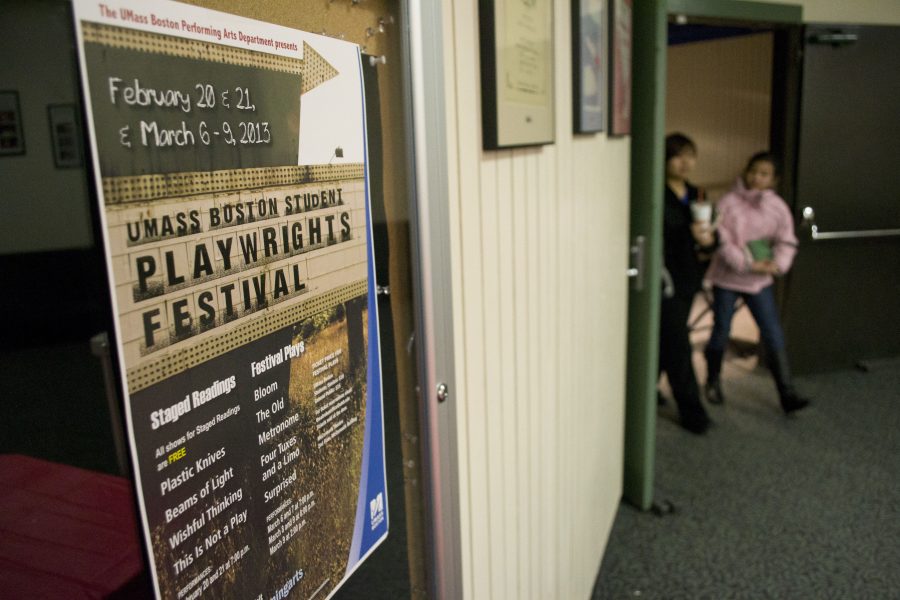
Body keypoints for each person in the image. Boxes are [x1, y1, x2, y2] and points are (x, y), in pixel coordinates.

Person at [703, 151, 810, 414]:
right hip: (727, 279)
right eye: (753, 171)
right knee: (721, 329)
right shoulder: (728, 202)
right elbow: (722, 242)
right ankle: (713, 381)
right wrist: (748, 264)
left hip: (759, 281)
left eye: (764, 174)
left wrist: (778, 265)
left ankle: (787, 393)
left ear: (773, 180)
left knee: (772, 332)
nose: (756, 177)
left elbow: (786, 241)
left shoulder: (778, 207)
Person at [659, 133, 716, 434]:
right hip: (663, 278)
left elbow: (711, 242)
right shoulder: (654, 192)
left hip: (689, 277)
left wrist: (708, 241)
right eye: (678, 155)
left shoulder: (699, 195)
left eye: (690, 155)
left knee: (666, 337)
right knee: (679, 343)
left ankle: (647, 389)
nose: (685, 162)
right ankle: (693, 412)